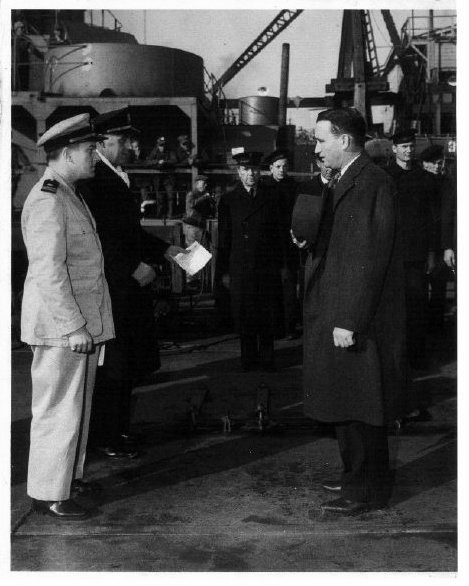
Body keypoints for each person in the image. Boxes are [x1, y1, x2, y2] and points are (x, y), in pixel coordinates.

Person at [302, 108, 406, 515]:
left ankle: (365, 491)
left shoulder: (372, 183)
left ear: (344, 140)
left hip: (355, 315)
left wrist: (350, 319)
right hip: (338, 306)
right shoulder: (345, 179)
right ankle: (354, 479)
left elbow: (371, 256)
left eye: (320, 140)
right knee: (345, 398)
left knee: (362, 404)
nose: (316, 149)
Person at [21, 113, 114, 519]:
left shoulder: (69, 193)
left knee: (76, 409)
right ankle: (47, 494)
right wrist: (73, 325)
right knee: (58, 409)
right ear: (67, 152)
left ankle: (66, 480)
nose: (95, 155)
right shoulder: (48, 199)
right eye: (89, 149)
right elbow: (49, 272)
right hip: (62, 328)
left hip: (79, 324)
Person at [80, 108, 187, 459]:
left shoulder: (116, 176)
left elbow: (130, 233)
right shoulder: (95, 180)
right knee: (114, 366)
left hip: (127, 287)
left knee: (126, 365)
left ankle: (118, 431)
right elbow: (99, 238)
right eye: (123, 139)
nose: (131, 145)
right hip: (114, 288)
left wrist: (167, 249)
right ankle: (106, 437)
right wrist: (132, 269)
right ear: (102, 143)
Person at [216, 148, 287, 372]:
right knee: (245, 314)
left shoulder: (271, 197)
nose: (250, 174)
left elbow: (280, 235)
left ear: (260, 171)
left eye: (254, 170)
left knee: (266, 313)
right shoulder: (228, 200)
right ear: (239, 171)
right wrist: (224, 272)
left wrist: (283, 266)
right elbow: (224, 239)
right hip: (240, 267)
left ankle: (267, 359)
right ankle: (248, 359)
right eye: (246, 170)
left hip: (266, 267)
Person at [385, 130, 438, 371]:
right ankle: (393, 358)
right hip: (390, 253)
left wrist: (431, 253)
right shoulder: (385, 177)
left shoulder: (424, 178)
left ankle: (416, 357)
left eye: (411, 146)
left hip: (416, 255)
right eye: (403, 146)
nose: (408, 150)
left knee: (416, 305)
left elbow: (432, 219)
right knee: (392, 307)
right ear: (394, 149)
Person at [262, 150, 300, 340]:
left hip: (288, 245)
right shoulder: (263, 188)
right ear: (271, 168)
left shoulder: (294, 187)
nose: (281, 170)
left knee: (288, 287)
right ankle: (273, 327)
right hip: (269, 245)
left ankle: (289, 327)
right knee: (270, 288)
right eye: (278, 167)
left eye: (285, 166)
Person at [420, 144, 453, 329]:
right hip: (424, 243)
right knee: (422, 287)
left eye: (441, 163)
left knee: (439, 286)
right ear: (425, 164)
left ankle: (436, 324)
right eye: (435, 163)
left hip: (440, 242)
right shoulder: (420, 183)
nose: (438, 166)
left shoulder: (446, 182)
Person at [146, 136, 177, 218]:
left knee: (170, 197)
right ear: (157, 145)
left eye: (163, 145)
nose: (162, 147)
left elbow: (174, 160)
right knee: (159, 197)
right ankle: (159, 214)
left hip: (168, 178)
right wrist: (157, 162)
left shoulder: (170, 151)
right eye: (160, 145)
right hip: (158, 179)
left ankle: (170, 214)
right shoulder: (155, 151)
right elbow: (148, 162)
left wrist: (165, 162)